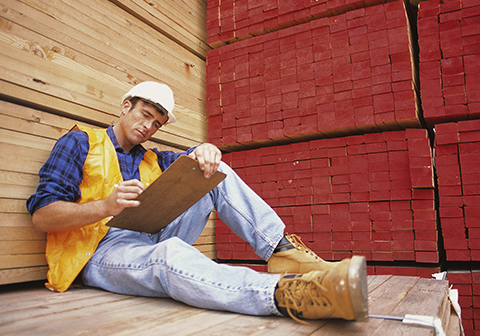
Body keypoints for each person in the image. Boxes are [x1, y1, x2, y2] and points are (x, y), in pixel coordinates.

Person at [27, 81, 368, 323]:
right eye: (144, 115)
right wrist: (105, 207)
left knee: (212, 170)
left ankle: (283, 253)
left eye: (156, 124)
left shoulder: (150, 158)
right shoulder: (79, 143)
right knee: (169, 255)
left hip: (145, 236)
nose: (148, 127)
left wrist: (203, 151)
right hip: (99, 253)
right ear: (125, 106)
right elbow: (43, 216)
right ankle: (288, 293)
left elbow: (190, 160)